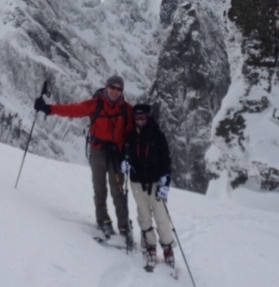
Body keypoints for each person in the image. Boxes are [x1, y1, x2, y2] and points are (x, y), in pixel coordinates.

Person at [34, 75, 133, 243]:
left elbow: (132, 132)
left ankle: (124, 226)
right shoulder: (96, 104)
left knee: (118, 192)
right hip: (98, 152)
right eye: (112, 88)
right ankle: (103, 220)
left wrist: (129, 151)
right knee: (99, 188)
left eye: (119, 89)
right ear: (106, 87)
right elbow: (73, 110)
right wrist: (49, 109)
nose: (115, 92)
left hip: (117, 155)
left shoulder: (127, 110)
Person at [122, 103, 175, 268]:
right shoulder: (131, 136)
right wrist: (125, 162)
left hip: (156, 183)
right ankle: (149, 246)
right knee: (143, 215)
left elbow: (166, 160)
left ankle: (167, 248)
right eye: (137, 117)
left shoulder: (158, 136)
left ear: (148, 117)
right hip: (137, 182)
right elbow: (126, 154)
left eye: (142, 117)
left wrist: (166, 180)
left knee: (161, 217)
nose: (140, 120)